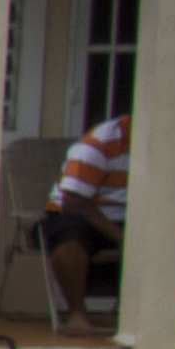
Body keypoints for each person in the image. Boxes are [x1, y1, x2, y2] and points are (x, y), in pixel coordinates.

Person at [38, 106, 129, 333]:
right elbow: (74, 202)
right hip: (78, 211)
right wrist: (118, 236)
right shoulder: (98, 145)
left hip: (130, 215)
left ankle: (144, 314)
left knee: (174, 236)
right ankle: (77, 313)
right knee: (69, 241)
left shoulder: (166, 144)